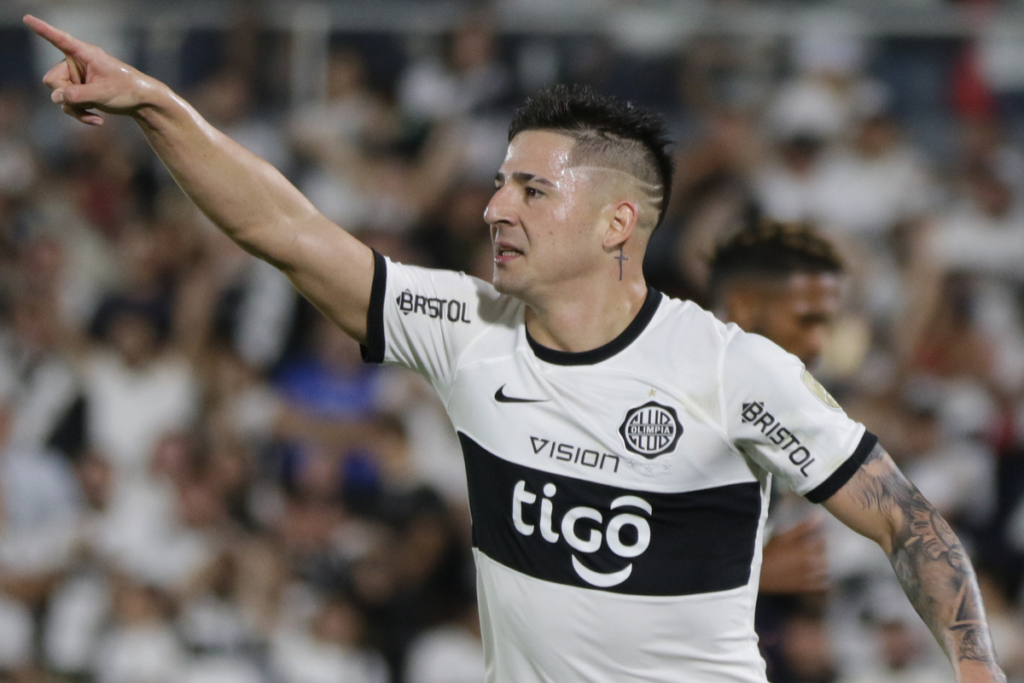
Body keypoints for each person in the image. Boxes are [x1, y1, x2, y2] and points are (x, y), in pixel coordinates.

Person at [23, 16, 1005, 683]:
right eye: (499, 183)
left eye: (532, 189)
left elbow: (909, 522)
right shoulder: (464, 334)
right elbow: (282, 228)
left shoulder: (730, 370)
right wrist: (155, 103)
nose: (495, 206)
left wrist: (973, 670)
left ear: (619, 221)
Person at [707, 220, 845, 596]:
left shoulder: (780, 405)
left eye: (825, 325)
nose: (818, 343)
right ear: (742, 307)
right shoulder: (678, 399)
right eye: (805, 320)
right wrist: (756, 576)